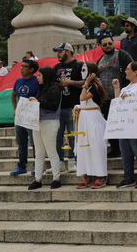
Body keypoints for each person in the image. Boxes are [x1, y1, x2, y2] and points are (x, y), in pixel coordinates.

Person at [96, 35, 133, 158]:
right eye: (105, 44)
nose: (108, 46)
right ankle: (115, 148)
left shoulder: (122, 55)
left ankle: (127, 149)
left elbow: (132, 72)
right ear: (101, 46)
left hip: (120, 97)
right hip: (105, 99)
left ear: (113, 43)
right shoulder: (100, 60)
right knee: (110, 125)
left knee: (122, 124)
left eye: (110, 43)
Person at [74, 62, 109, 189]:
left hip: (94, 120)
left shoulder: (95, 86)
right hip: (84, 119)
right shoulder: (87, 86)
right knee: (84, 147)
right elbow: (83, 103)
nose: (82, 72)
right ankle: (87, 175)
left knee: (95, 147)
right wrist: (78, 107)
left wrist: (86, 84)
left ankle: (101, 176)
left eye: (84, 69)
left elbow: (83, 98)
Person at [27, 66, 62, 190]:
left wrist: (38, 101)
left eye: (40, 75)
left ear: (46, 76)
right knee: (39, 152)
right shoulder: (41, 89)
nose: (37, 78)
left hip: (50, 122)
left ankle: (56, 178)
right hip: (38, 122)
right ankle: (38, 179)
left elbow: (53, 106)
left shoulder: (55, 88)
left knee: (51, 151)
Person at [53, 42, 84, 173]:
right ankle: (59, 162)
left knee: (72, 136)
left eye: (60, 51)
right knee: (57, 136)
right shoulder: (56, 67)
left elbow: (86, 82)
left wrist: (70, 82)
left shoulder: (79, 65)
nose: (58, 54)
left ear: (68, 52)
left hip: (74, 107)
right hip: (58, 108)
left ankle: (73, 161)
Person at [10, 59, 39, 176]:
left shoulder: (37, 81)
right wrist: (14, 107)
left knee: (35, 142)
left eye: (24, 66)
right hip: (20, 117)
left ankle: (38, 166)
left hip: (32, 117)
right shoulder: (18, 81)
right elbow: (13, 94)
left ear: (31, 70)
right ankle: (21, 166)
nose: (21, 68)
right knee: (21, 143)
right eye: (21, 66)